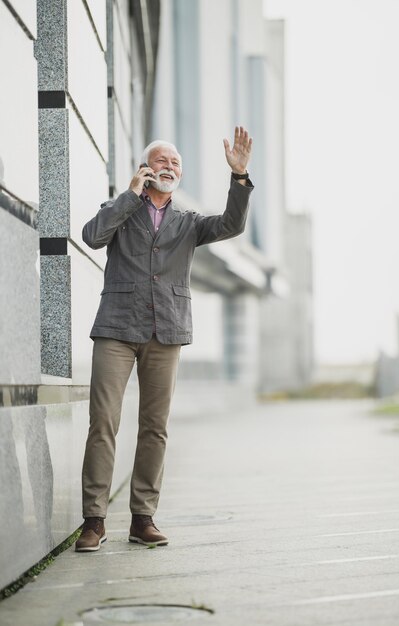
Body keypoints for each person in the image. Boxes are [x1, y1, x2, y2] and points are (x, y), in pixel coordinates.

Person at [75, 126, 253, 552]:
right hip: (116, 327)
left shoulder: (189, 223)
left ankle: (142, 518)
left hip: (166, 329)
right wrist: (130, 195)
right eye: (161, 160)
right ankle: (94, 521)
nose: (168, 166)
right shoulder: (120, 210)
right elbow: (91, 236)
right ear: (145, 167)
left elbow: (231, 224)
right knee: (103, 422)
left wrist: (240, 177)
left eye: (175, 162)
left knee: (154, 428)